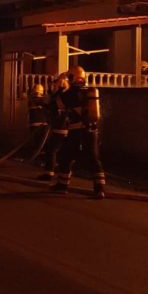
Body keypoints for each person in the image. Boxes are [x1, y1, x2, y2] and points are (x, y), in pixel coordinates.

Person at [52, 66, 106, 199]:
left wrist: (58, 88)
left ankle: (62, 186)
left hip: (76, 131)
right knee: (94, 158)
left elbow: (54, 105)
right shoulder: (90, 92)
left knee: (66, 157)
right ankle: (99, 189)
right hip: (92, 131)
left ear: (71, 78)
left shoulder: (69, 94)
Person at [36, 73, 69, 181]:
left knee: (51, 149)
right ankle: (57, 175)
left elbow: (54, 108)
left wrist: (46, 105)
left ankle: (49, 174)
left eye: (56, 82)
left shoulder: (61, 95)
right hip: (63, 127)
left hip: (61, 127)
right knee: (57, 151)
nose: (53, 84)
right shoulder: (64, 94)